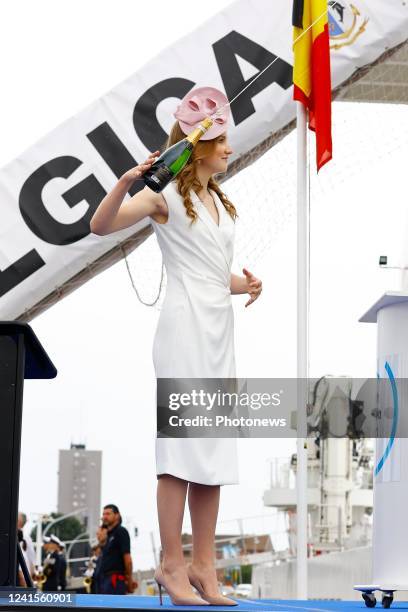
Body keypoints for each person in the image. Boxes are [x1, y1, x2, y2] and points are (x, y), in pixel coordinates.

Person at [89, 85, 262, 606]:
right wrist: (125, 181)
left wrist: (246, 284)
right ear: (200, 145)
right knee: (180, 452)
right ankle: (171, 564)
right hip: (183, 330)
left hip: (218, 329)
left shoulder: (219, 200)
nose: (230, 147)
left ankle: (205, 568)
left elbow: (211, 271)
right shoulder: (162, 197)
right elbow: (100, 226)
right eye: (223, 140)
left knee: (212, 451)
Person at [98, 504, 136, 595]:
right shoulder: (108, 536)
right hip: (105, 580)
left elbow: (127, 559)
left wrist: (129, 580)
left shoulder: (121, 531)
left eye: (108, 514)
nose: (104, 517)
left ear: (117, 515)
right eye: (103, 514)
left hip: (115, 580)